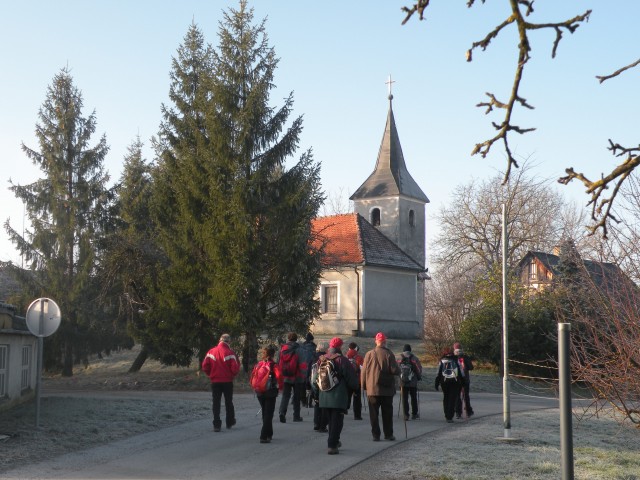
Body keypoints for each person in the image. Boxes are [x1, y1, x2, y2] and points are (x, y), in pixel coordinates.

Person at [311, 337, 358, 455]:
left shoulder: (322, 360)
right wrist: (354, 389)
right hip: (338, 396)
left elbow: (314, 380)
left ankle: (335, 441)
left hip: (324, 396)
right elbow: (352, 380)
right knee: (337, 422)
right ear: (340, 347)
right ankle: (332, 445)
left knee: (331, 421)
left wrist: (316, 395)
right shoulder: (343, 360)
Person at [361, 332, 399, 441]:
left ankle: (376, 435)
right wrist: (399, 369)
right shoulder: (389, 354)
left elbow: (363, 372)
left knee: (373, 413)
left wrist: (363, 386)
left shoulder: (369, 354)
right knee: (387, 413)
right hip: (387, 389)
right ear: (385, 341)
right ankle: (388, 434)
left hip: (372, 389)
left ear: (376, 341)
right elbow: (394, 370)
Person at [202, 333, 241, 432]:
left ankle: (216, 424)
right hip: (227, 381)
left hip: (215, 381)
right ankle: (230, 421)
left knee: (216, 402)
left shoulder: (211, 352)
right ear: (229, 341)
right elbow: (235, 369)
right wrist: (232, 375)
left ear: (220, 340)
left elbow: (205, 366)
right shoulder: (230, 353)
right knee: (228, 402)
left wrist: (210, 374)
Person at [252, 345, 283, 443]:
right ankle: (263, 436)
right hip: (270, 392)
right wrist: (281, 387)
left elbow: (253, 376)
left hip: (259, 391)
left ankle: (269, 433)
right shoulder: (273, 365)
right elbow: (279, 376)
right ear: (273, 355)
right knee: (268, 414)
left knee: (265, 413)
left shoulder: (259, 364)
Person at [278, 332, 306, 423]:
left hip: (286, 375)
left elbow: (278, 362)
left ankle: (282, 412)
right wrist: (304, 375)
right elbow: (303, 363)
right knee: (296, 397)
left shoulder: (282, 349)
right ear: (296, 339)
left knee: (285, 395)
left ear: (288, 338)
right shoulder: (299, 349)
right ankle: (296, 416)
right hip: (297, 376)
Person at [434, 346, 464, 423]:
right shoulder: (456, 360)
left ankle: (446, 414)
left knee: (446, 398)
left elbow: (438, 373)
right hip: (454, 382)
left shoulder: (442, 360)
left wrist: (436, 383)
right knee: (452, 399)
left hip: (444, 382)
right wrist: (463, 381)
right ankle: (450, 416)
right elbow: (461, 371)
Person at [397, 344, 423, 420]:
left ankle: (406, 415)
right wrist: (418, 377)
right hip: (412, 382)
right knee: (413, 398)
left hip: (403, 382)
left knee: (404, 399)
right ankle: (414, 414)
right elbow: (419, 369)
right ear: (410, 350)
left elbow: (396, 369)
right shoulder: (414, 358)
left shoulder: (399, 358)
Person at [311, 341, 329, 432]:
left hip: (314, 383)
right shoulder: (326, 358)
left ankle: (316, 423)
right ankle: (323, 425)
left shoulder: (313, 356)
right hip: (323, 382)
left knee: (317, 404)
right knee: (324, 405)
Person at [453, 342, 475, 418]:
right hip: (465, 379)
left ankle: (458, 413)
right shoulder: (465, 357)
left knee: (457, 396)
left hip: (456, 379)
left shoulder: (453, 357)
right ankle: (469, 411)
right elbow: (471, 367)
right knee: (466, 396)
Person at [345, 342, 364, 420]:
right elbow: (362, 369)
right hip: (357, 380)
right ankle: (357, 415)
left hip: (347, 380)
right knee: (357, 399)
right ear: (356, 348)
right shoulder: (359, 357)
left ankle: (344, 409)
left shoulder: (345, 356)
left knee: (347, 396)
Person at [300, 332, 317, 408]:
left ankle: (303, 401)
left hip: (302, 367)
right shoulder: (314, 347)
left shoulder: (302, 346)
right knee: (311, 385)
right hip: (311, 367)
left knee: (303, 385)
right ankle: (309, 402)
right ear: (311, 340)